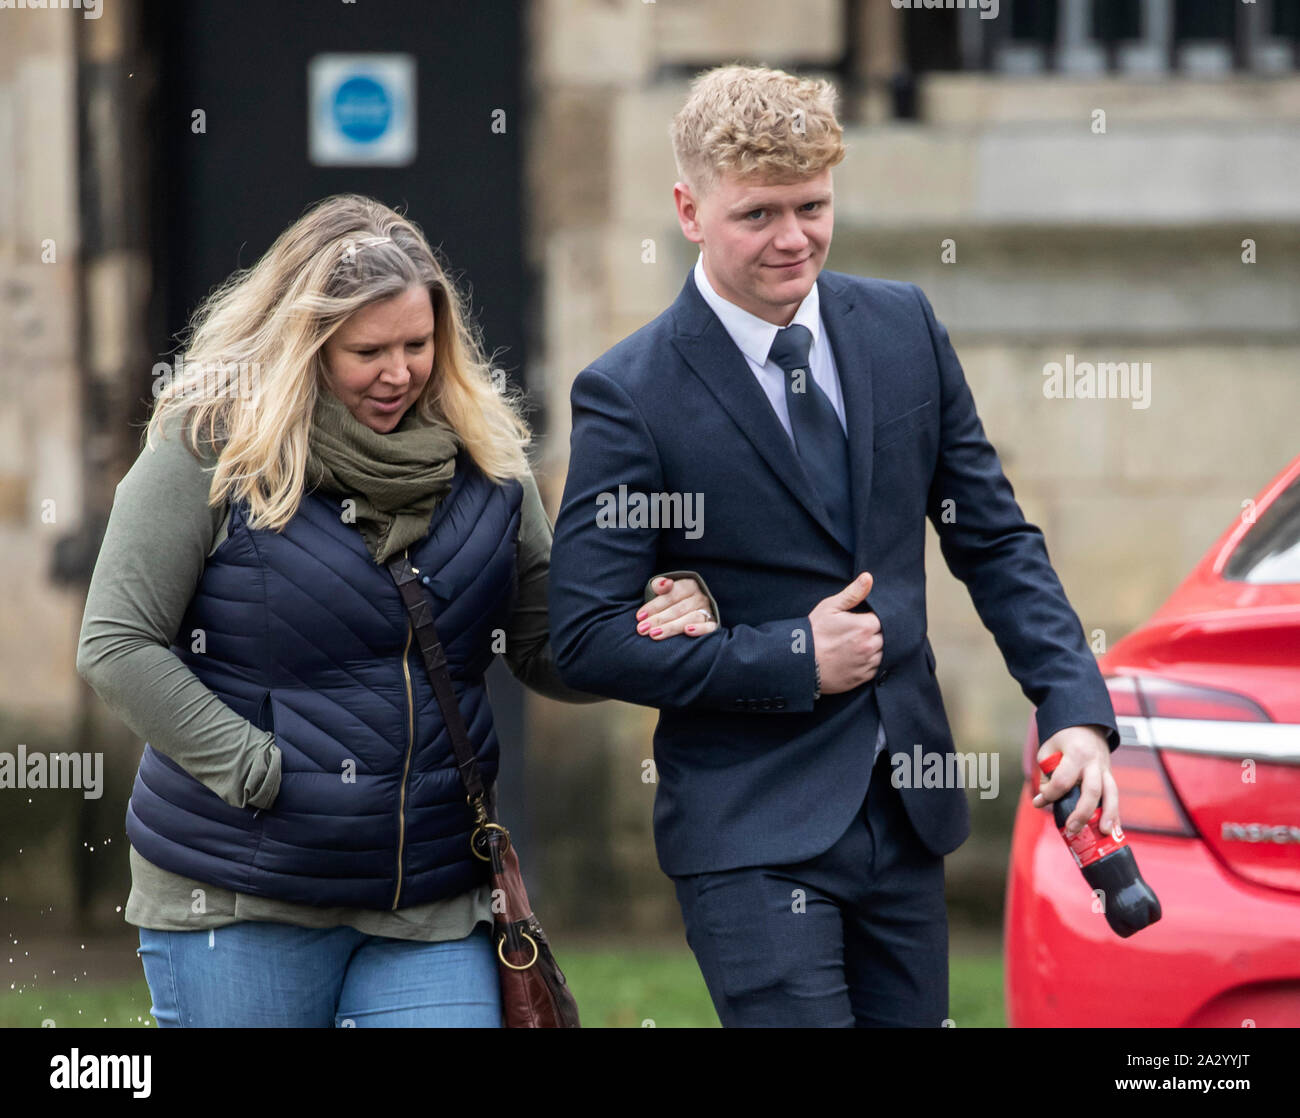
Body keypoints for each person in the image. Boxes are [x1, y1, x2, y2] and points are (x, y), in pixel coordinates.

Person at [547, 65, 1122, 1028]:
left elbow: (992, 538)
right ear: (689, 210)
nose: (792, 239)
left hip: (907, 813)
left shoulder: (903, 328)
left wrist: (1074, 706)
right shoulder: (628, 393)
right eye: (757, 214)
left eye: (812, 206)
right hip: (750, 830)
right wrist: (789, 657)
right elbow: (584, 634)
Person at [75, 193, 720, 1028]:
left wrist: (650, 627)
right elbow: (117, 643)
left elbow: (542, 644)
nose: (399, 372)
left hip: (431, 901)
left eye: (418, 345)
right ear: (302, 347)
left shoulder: (487, 456)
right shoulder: (210, 447)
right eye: (367, 351)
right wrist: (257, 769)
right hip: (239, 898)